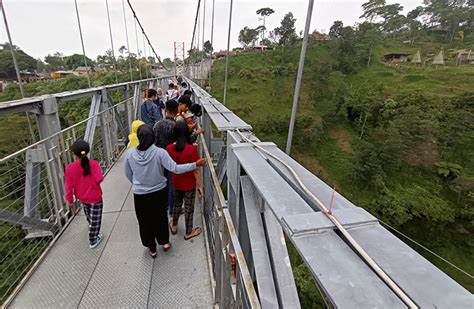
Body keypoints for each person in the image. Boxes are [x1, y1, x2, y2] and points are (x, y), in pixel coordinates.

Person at [124, 125, 207, 258]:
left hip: (140, 194)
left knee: (144, 220)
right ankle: (164, 242)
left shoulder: (130, 154)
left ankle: (152, 248)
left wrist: (138, 184)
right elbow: (175, 168)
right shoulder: (160, 152)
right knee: (160, 217)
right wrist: (195, 164)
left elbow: (128, 174)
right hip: (158, 191)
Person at [167, 121, 203, 240]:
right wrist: (200, 186)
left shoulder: (169, 148)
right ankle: (188, 232)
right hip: (189, 184)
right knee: (189, 208)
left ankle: (174, 225)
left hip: (176, 182)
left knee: (177, 204)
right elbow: (196, 169)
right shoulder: (191, 149)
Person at [65, 140, 104, 249]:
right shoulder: (94, 164)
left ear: (74, 153)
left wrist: (70, 201)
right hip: (95, 196)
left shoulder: (69, 168)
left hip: (82, 197)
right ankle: (93, 240)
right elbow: (100, 179)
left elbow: (68, 187)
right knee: (96, 218)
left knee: (89, 215)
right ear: (87, 151)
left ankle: (92, 228)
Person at [154, 100, 180, 215]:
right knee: (171, 183)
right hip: (171, 159)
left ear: (165, 110)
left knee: (161, 183)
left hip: (159, 159)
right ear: (177, 111)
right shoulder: (175, 126)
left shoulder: (157, 125)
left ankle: (162, 205)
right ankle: (172, 209)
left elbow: (153, 143)